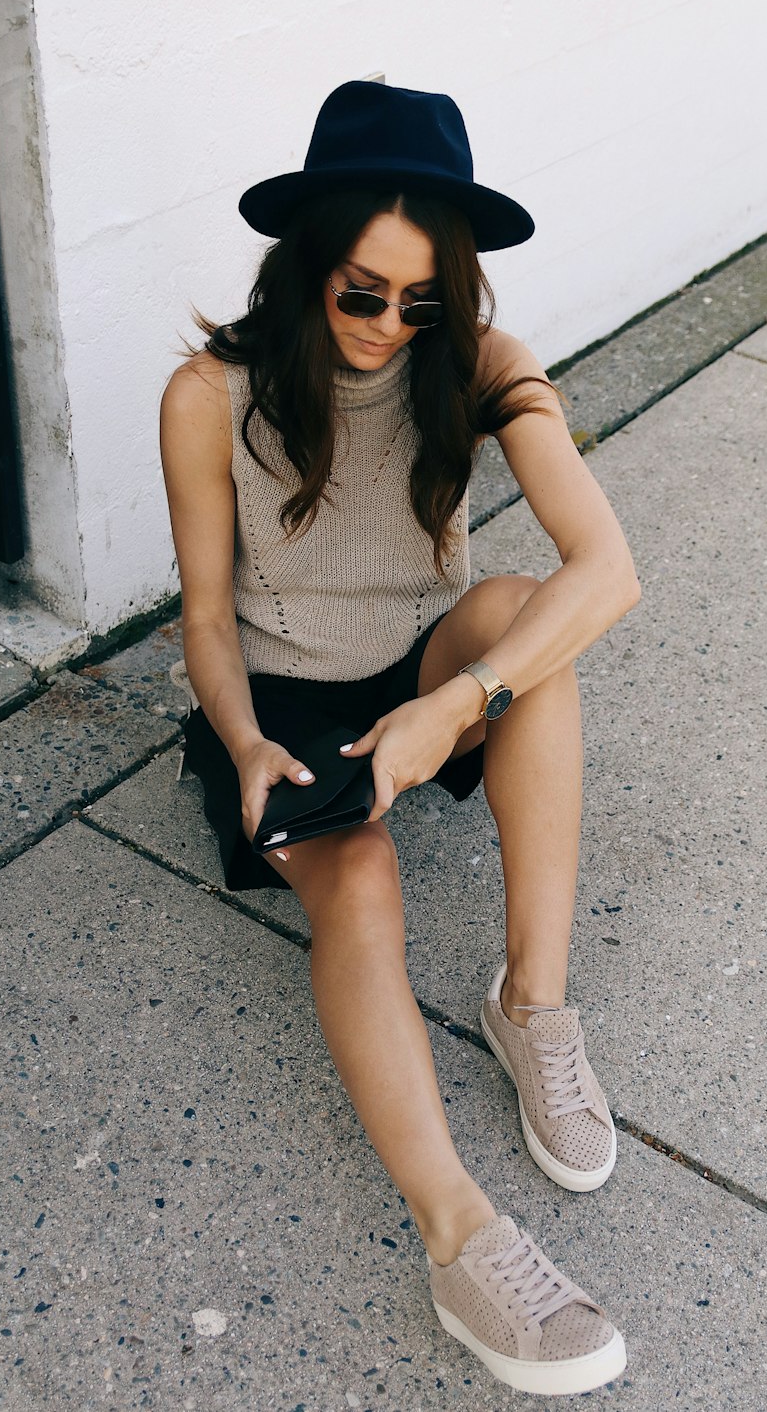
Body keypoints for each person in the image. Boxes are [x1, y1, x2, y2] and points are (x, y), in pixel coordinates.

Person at [161, 80, 640, 1397]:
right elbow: (203, 619)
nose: (387, 327)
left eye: (421, 301)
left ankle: (529, 1006)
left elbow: (608, 571)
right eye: (361, 292)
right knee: (359, 878)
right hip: (285, 704)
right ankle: (461, 1235)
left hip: (428, 663)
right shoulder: (210, 395)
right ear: (310, 261)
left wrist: (457, 702)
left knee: (531, 621)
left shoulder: (484, 362)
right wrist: (247, 740)